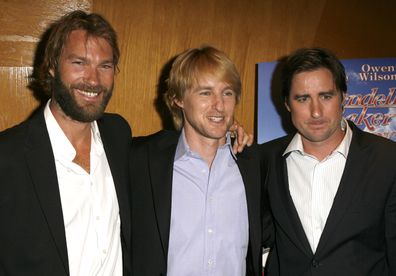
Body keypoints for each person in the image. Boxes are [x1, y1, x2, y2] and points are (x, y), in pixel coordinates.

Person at [0, 10, 132, 276]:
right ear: (52, 65)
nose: (93, 80)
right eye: (79, 63)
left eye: (104, 66)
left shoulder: (119, 134)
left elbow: (163, 159)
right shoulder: (7, 158)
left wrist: (223, 137)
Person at [130, 45, 272, 276]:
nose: (219, 105)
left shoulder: (255, 163)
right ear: (178, 99)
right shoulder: (141, 159)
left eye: (227, 93)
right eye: (205, 93)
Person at [262, 47, 396, 275]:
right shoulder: (263, 160)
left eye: (326, 96)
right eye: (303, 99)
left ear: (343, 97)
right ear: (286, 104)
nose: (316, 112)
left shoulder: (388, 160)